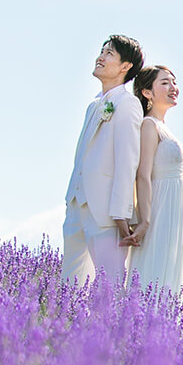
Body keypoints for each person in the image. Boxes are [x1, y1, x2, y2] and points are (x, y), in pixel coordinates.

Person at [62, 35, 145, 285]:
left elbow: (127, 160)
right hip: (77, 205)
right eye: (102, 51)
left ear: (125, 66)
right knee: (70, 283)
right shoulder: (94, 105)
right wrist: (70, 201)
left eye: (109, 54)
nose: (101, 57)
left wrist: (121, 213)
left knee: (110, 285)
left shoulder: (127, 103)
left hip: (106, 212)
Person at [123, 65, 183, 293]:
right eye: (164, 83)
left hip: (177, 210)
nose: (173, 88)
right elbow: (142, 175)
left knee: (171, 277)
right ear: (147, 92)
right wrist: (145, 220)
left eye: (174, 82)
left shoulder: (164, 128)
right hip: (159, 209)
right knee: (156, 272)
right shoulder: (149, 125)